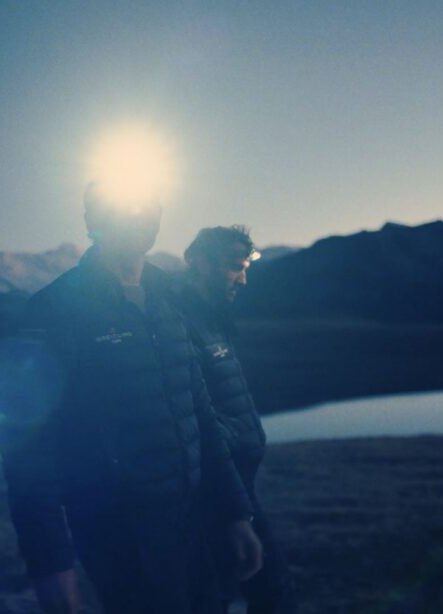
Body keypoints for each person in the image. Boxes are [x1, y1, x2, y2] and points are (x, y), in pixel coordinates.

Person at [0, 185, 263, 614]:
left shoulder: (167, 299)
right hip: (122, 537)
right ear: (93, 220)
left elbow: (200, 412)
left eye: (150, 202)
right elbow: (27, 442)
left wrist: (234, 511)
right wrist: (50, 563)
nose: (141, 213)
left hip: (195, 522)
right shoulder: (55, 309)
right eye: (126, 202)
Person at [176, 225, 298, 613]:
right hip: (214, 491)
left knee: (267, 590)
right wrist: (230, 502)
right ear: (199, 262)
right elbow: (194, 417)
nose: (243, 279)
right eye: (234, 266)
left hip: (237, 486)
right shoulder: (178, 323)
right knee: (257, 593)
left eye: (245, 267)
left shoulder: (213, 319)